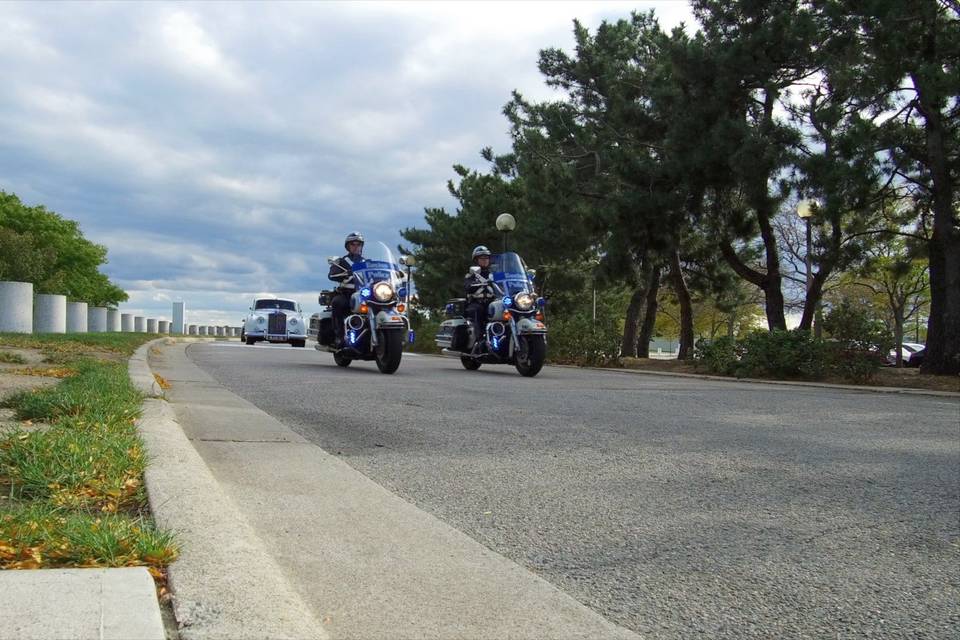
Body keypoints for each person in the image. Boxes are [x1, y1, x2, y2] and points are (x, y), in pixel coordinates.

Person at [328, 232, 364, 347]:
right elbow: (332, 274)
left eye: (358, 244)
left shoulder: (367, 262)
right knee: (337, 303)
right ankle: (339, 336)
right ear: (348, 246)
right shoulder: (342, 262)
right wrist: (343, 274)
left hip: (364, 295)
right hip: (347, 294)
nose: (356, 246)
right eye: (353, 244)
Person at [464, 245, 496, 350]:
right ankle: (478, 341)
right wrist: (473, 285)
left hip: (492, 303)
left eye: (486, 258)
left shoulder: (494, 274)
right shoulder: (471, 275)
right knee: (478, 310)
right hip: (476, 302)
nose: (485, 260)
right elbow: (467, 286)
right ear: (476, 260)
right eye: (482, 258)